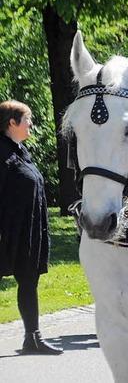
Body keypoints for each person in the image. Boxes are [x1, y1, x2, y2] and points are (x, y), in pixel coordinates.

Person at [0, 100, 62, 355]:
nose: (31, 124)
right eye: (28, 119)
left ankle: (32, 338)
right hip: (6, 232)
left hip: (27, 232)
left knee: (28, 280)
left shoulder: (19, 150)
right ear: (12, 122)